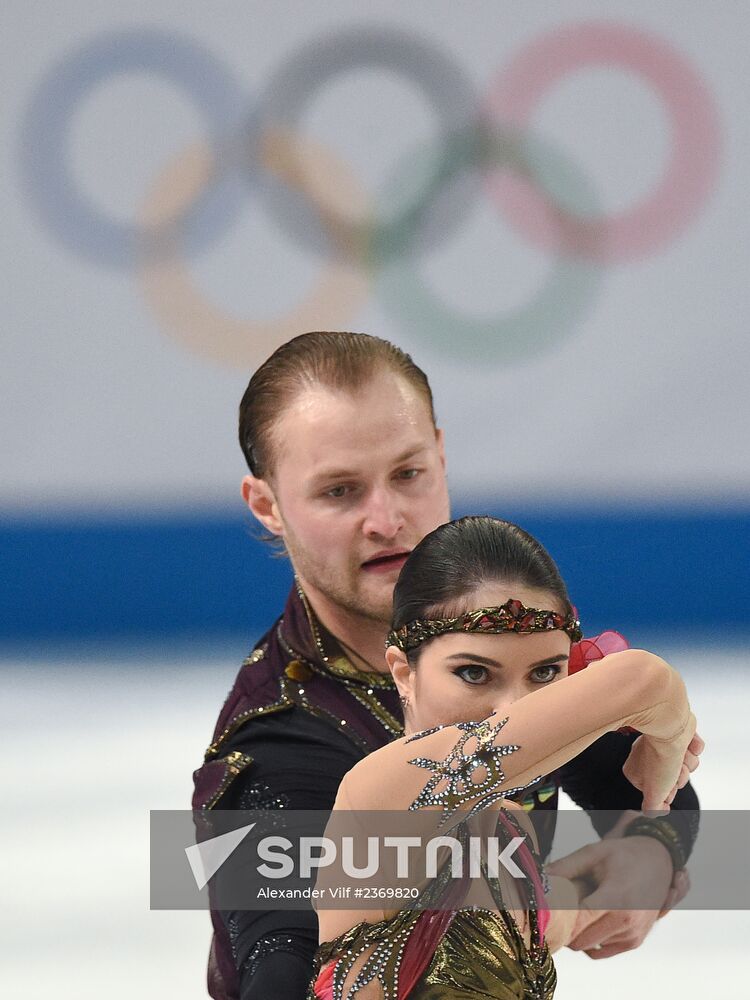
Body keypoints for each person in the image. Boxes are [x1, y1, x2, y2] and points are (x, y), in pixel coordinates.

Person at [192, 331, 699, 1000]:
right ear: (267, 505)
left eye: (408, 473)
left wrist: (646, 857)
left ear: (441, 453)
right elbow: (275, 961)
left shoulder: (504, 642)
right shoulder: (276, 747)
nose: (387, 518)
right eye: (341, 491)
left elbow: (650, 791)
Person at [309, 516, 702, 999]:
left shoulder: (512, 839)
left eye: (544, 674)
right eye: (474, 673)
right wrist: (665, 746)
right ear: (404, 673)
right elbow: (645, 679)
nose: (516, 710)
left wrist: (643, 855)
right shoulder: (385, 791)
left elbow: (564, 906)